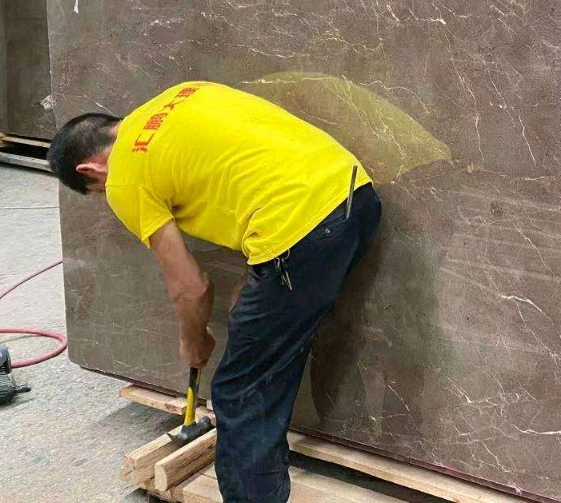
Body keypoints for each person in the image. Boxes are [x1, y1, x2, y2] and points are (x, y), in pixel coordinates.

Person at [46, 80, 381, 503]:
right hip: (355, 197)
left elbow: (191, 288)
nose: (106, 193)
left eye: (98, 190)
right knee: (266, 340)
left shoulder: (124, 177)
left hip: (302, 232)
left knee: (240, 391)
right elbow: (248, 172)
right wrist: (257, 276)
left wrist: (193, 339)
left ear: (89, 171)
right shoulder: (181, 95)